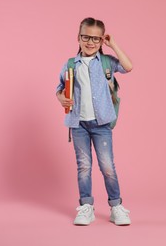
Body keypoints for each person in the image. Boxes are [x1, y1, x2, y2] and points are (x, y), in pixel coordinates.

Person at [55, 17, 133, 226]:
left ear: (101, 41)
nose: (90, 42)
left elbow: (128, 66)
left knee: (107, 166)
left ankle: (116, 206)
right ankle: (86, 207)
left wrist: (113, 44)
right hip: (78, 124)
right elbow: (59, 88)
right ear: (78, 38)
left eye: (96, 39)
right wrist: (61, 97)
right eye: (86, 37)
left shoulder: (106, 62)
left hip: (101, 125)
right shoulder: (71, 64)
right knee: (84, 167)